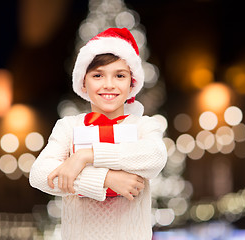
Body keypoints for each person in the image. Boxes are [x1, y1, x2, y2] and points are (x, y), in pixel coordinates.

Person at [29, 28, 167, 240]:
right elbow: (39, 175)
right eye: (98, 75)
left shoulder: (144, 126)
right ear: (83, 82)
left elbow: (155, 156)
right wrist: (106, 179)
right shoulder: (69, 127)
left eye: (120, 75)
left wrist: (85, 156)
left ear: (132, 84)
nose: (109, 84)